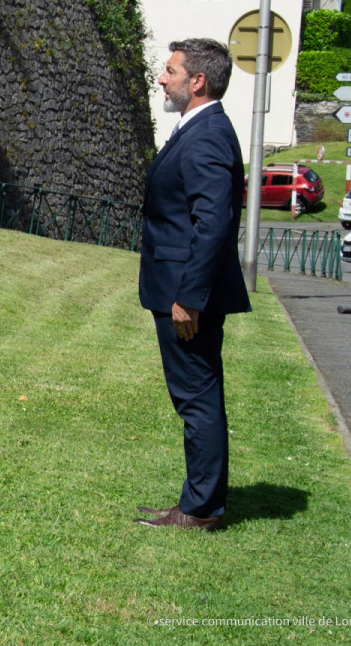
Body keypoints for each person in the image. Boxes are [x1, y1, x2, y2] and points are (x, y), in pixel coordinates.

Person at [135, 38, 250, 532]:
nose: (162, 78)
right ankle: (199, 501)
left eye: (170, 70)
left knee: (197, 398)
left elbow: (212, 224)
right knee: (195, 397)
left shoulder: (205, 135)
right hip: (181, 287)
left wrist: (189, 298)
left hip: (187, 295)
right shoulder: (198, 128)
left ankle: (201, 509)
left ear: (197, 81)